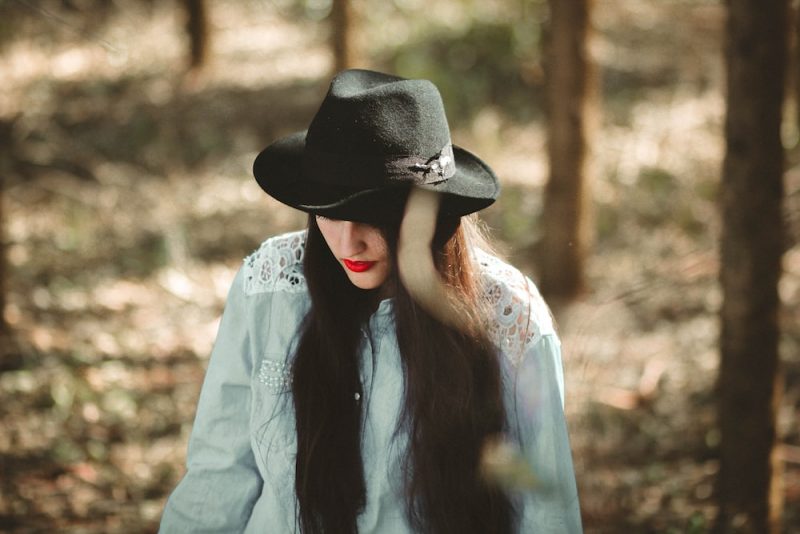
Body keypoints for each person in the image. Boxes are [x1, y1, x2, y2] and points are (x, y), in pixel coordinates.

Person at [159, 69, 582, 533]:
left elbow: (544, 513)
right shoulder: (268, 289)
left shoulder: (508, 320)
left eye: (372, 217)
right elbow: (218, 476)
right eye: (329, 213)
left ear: (431, 214)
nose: (347, 243)